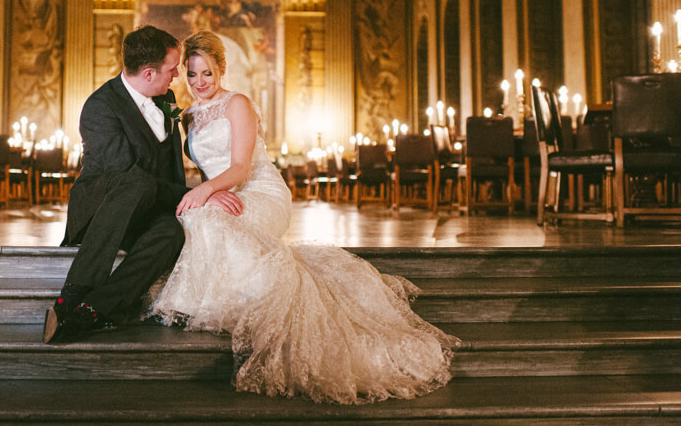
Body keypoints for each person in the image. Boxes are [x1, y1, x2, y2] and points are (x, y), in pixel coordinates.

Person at [148, 30, 460, 404]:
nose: (200, 83)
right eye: (192, 74)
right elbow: (203, 170)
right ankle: (241, 292)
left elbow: (241, 168)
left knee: (206, 218)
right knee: (197, 219)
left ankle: (257, 295)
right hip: (222, 192)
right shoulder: (190, 115)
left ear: (223, 70)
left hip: (259, 191)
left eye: (208, 74)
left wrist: (206, 193)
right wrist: (208, 195)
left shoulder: (238, 104)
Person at [44, 25, 242, 344]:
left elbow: (167, 165)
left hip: (147, 209)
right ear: (149, 73)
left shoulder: (166, 98)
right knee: (133, 184)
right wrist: (200, 195)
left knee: (171, 233)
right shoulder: (100, 108)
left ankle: (93, 310)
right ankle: (71, 296)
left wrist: (189, 203)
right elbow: (133, 180)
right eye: (171, 69)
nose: (177, 76)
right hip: (104, 211)